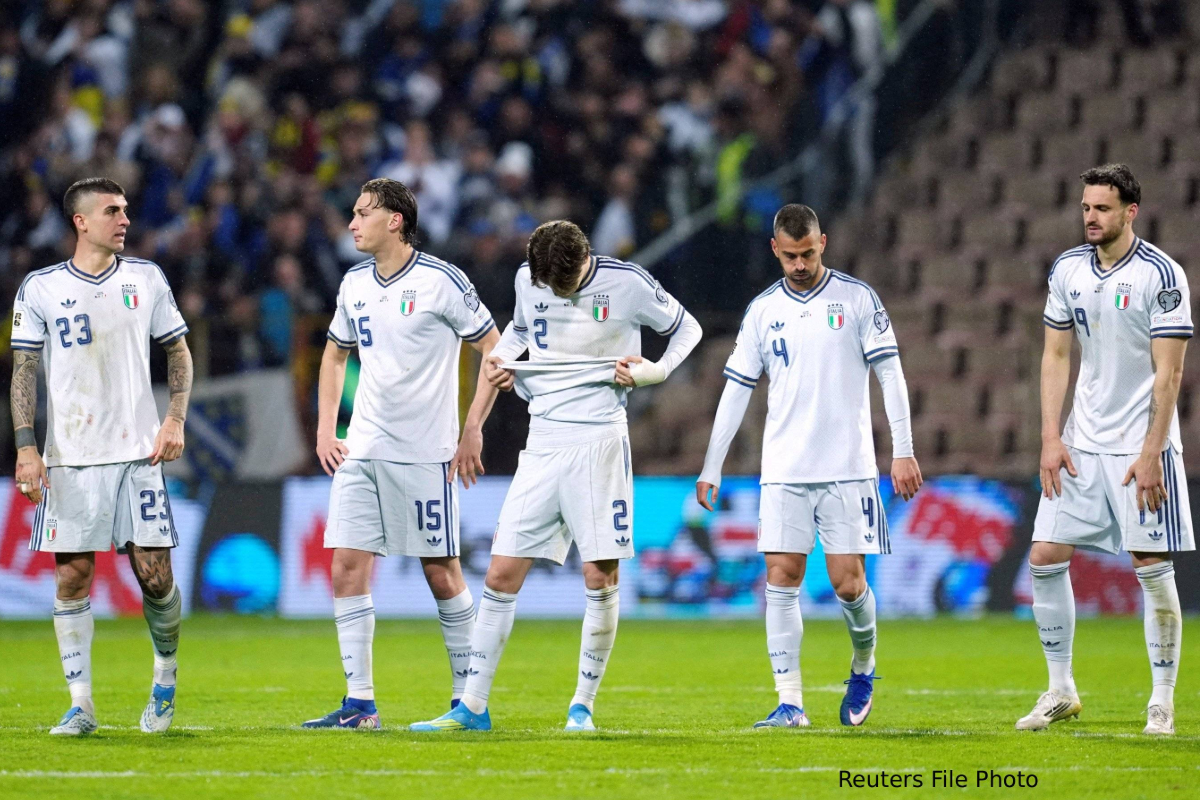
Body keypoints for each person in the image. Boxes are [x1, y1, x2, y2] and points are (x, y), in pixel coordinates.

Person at [409, 220, 703, 732]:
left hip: (600, 443)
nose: (553, 291)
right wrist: (501, 370)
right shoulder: (530, 278)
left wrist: (654, 370)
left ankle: (582, 707)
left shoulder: (627, 283)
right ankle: (472, 708)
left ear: (583, 261)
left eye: (562, 284)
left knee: (599, 576)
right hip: (542, 440)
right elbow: (520, 334)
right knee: (500, 574)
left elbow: (688, 329)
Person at [696, 204, 922, 729]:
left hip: (848, 466)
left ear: (825, 241)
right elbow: (736, 391)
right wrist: (713, 465)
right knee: (782, 576)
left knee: (847, 583)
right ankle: (790, 702)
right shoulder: (761, 311)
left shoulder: (858, 299)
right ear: (775, 249)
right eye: (790, 255)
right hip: (784, 467)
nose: (800, 264)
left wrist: (903, 449)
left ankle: (863, 666)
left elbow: (892, 376)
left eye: (809, 253)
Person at [302, 178, 500, 729]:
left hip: (424, 453)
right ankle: (360, 704)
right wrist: (326, 430)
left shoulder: (442, 281)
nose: (351, 223)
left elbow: (495, 347)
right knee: (345, 567)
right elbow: (334, 356)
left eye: (362, 213)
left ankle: (469, 704)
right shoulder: (353, 284)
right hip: (361, 448)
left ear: (395, 220)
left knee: (441, 571)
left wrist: (473, 428)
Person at [11, 177, 193, 735]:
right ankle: (81, 704)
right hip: (70, 455)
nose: (125, 220)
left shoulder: (146, 278)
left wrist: (175, 418)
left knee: (154, 575)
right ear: (80, 221)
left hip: (139, 453)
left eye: (127, 210)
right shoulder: (39, 288)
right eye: (113, 210)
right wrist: (26, 448)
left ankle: (165, 678)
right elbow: (23, 371)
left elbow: (178, 351)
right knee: (73, 576)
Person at [1020, 164, 1191, 736]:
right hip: (1081, 444)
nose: (1090, 217)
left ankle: (1161, 700)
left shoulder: (1161, 276)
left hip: (1140, 447)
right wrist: (1051, 437)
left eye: (1102, 208)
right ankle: (1060, 689)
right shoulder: (1068, 269)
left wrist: (1151, 452)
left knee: (1150, 566)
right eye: (1086, 207)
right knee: (1044, 557)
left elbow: (1169, 375)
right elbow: (1056, 357)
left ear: (1129, 212)